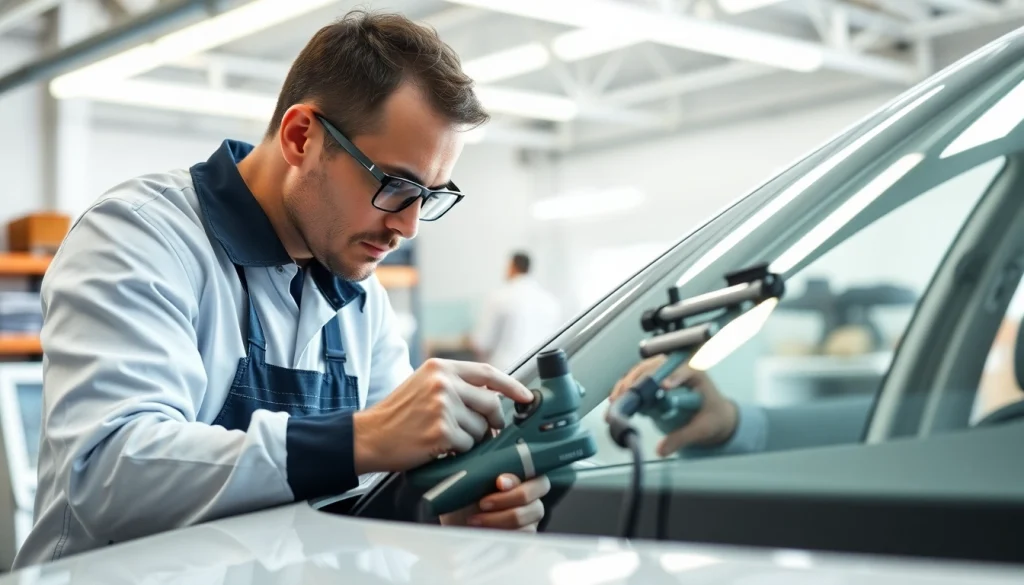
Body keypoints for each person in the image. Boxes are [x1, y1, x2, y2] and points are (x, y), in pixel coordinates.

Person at [14, 11, 551, 568]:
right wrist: (358, 439)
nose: (408, 227)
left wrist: (440, 515)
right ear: (302, 138)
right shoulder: (138, 236)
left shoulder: (362, 300)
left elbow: (369, 503)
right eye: (394, 185)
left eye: (430, 196)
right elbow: (107, 476)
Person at [470, 252, 561, 371]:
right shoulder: (550, 301)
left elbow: (481, 342)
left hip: (505, 371)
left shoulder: (500, 297)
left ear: (512, 267)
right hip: (539, 370)